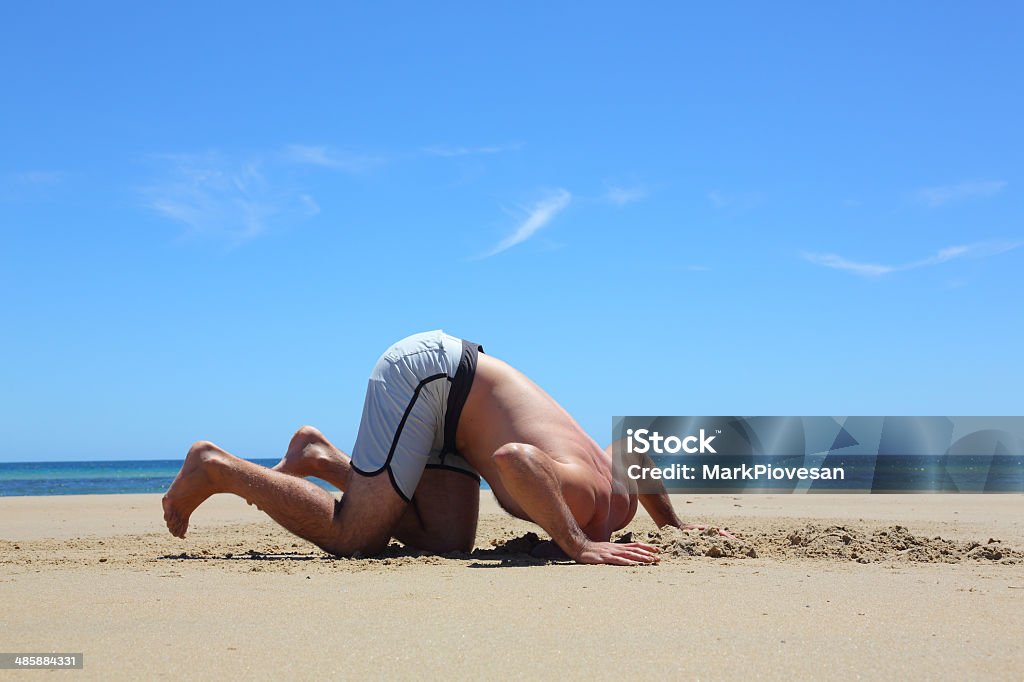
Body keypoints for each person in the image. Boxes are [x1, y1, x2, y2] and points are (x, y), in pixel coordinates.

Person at [163, 330, 722, 565]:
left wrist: (672, 527)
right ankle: (217, 469)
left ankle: (320, 458)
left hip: (457, 407)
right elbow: (515, 459)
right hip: (430, 377)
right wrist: (576, 544)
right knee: (356, 536)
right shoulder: (581, 498)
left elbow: (631, 452)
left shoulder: (618, 501)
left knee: (446, 542)